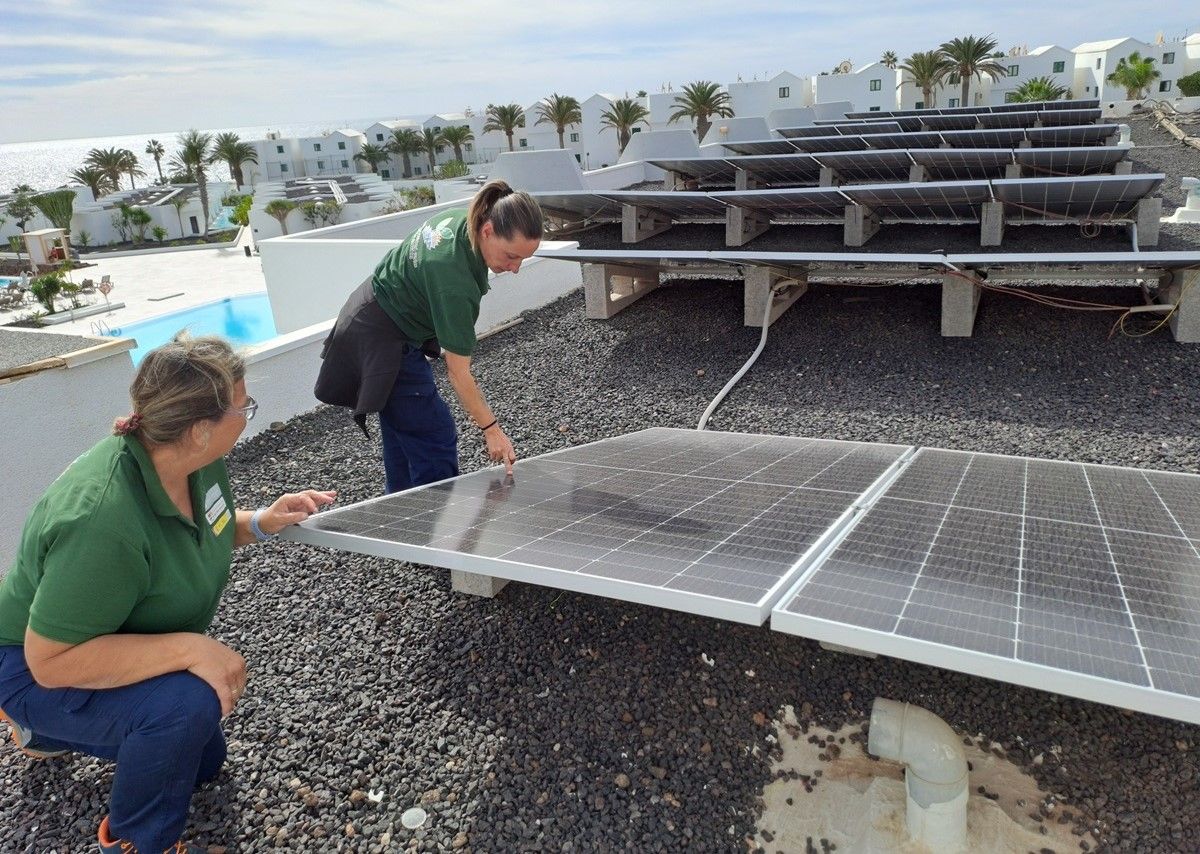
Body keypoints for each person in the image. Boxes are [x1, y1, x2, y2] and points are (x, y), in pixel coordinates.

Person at [0, 333, 336, 853]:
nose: (248, 414)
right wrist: (190, 648)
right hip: (30, 665)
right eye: (244, 407)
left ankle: (47, 732)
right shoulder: (102, 521)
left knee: (204, 761)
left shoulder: (192, 461)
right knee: (185, 708)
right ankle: (137, 839)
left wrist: (263, 521)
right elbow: (50, 660)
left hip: (109, 639)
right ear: (200, 428)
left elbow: (206, 530)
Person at [315, 179, 544, 493]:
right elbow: (458, 374)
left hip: (370, 313)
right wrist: (492, 429)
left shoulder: (465, 220)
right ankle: (433, 517)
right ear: (488, 231)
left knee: (405, 431)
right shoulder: (455, 281)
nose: (515, 267)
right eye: (511, 256)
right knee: (434, 435)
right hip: (383, 336)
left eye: (522, 259)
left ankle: (400, 510)